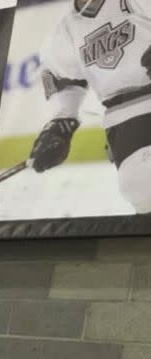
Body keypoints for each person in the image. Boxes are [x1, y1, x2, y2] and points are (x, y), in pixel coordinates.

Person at [29, 0, 151, 214]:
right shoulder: (67, 27)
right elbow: (62, 78)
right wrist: (60, 124)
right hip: (122, 123)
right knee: (141, 191)